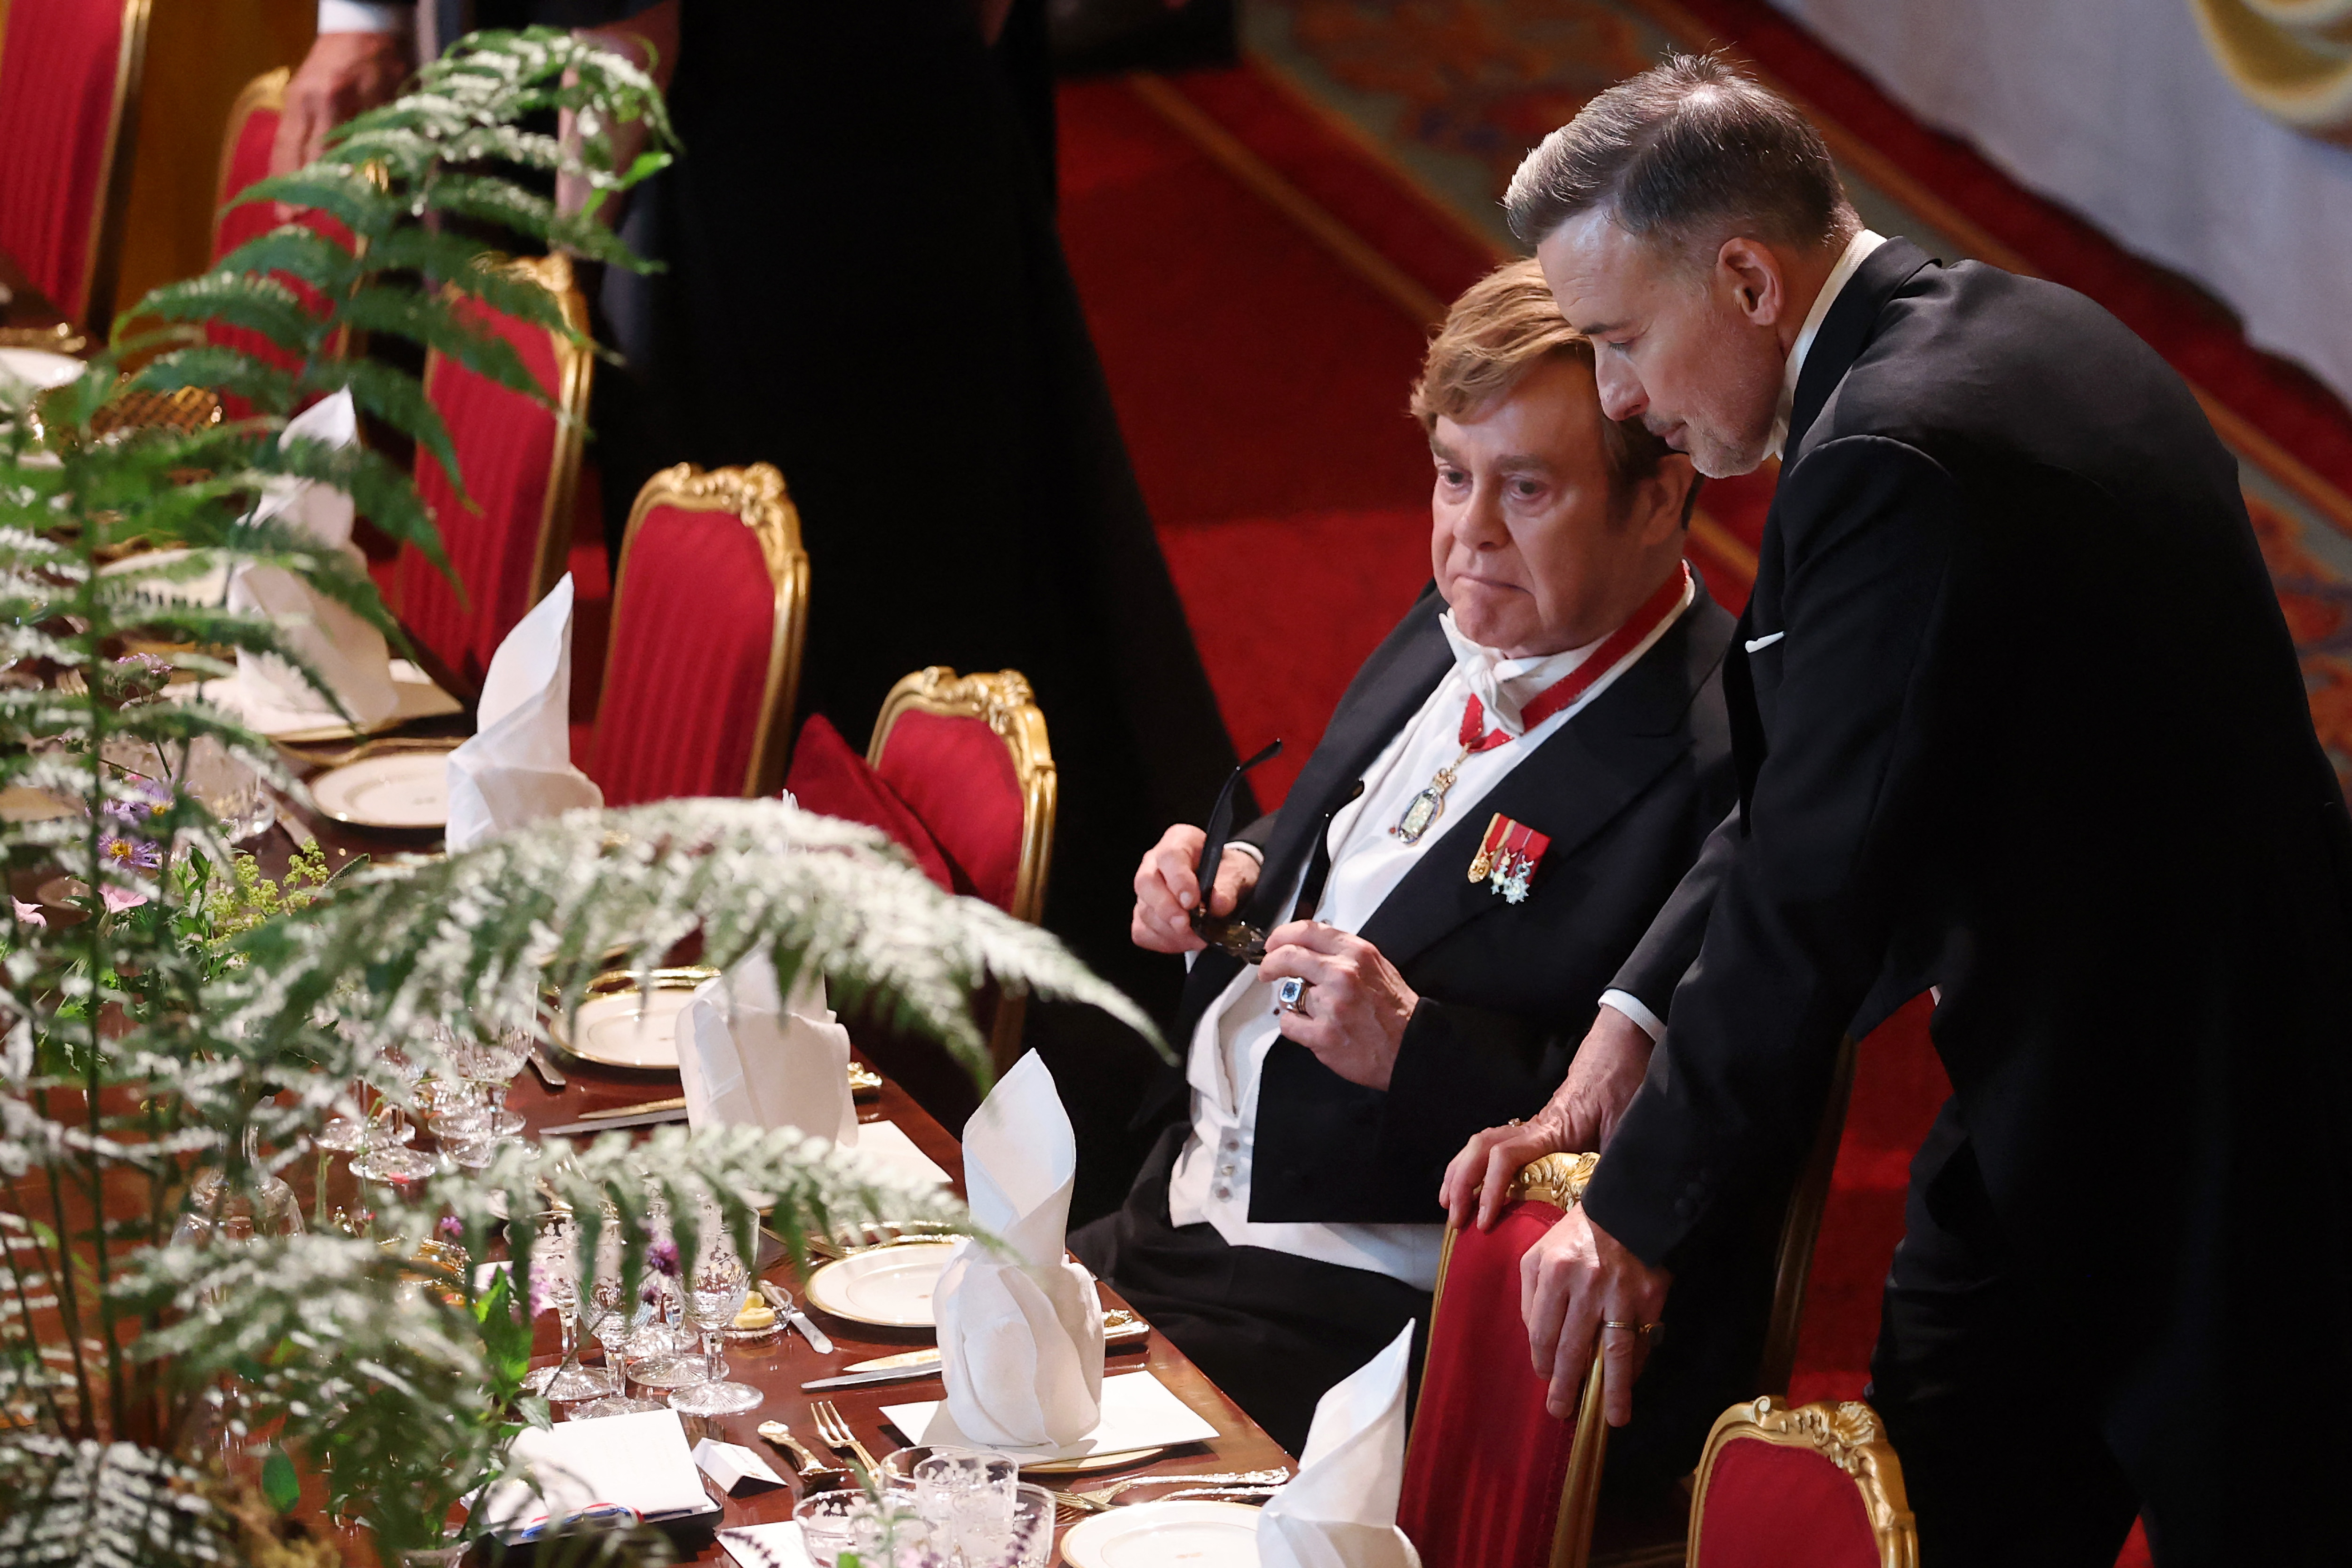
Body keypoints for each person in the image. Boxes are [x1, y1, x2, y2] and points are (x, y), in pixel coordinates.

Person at [1446, 55, 2352, 1565]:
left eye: (1619, 340)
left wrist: (1641, 1211)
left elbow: (1818, 880)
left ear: (1745, 276)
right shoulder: (1998, 332)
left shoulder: (1891, 452)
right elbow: (1811, 780)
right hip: (2082, 1071)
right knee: (1943, 1490)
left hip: (2211, 1130)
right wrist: (1634, 1021)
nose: (1621, 399)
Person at [270, 0, 1246, 1216]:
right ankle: (919, 1109)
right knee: (784, 591)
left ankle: (1000, 1131)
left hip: (773, 116)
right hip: (724, 92)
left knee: (888, 623)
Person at [1071, 260, 1752, 1471]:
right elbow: (1361, 833)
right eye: (1450, 474)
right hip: (1175, 1200)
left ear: (1660, 496)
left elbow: (1694, 1141)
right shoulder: (1483, 605)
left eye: (1526, 488)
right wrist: (1234, 866)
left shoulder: (1720, 768)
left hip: (1355, 1316)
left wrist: (1415, 1051)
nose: (1467, 532)